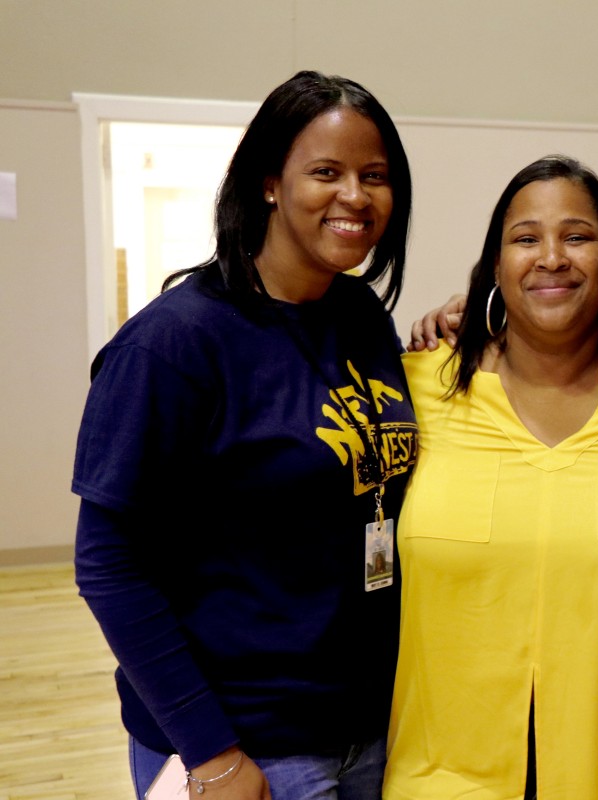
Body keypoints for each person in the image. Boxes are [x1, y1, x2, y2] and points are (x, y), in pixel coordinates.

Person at [72, 71, 418, 800]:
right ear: (269, 183)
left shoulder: (360, 316)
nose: (355, 195)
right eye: (326, 172)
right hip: (247, 745)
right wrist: (213, 754)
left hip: (372, 727)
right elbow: (108, 563)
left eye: (375, 175)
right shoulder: (173, 346)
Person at [383, 156, 598, 800]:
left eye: (578, 236)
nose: (551, 257)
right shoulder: (419, 384)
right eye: (526, 238)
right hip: (443, 776)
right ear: (494, 268)